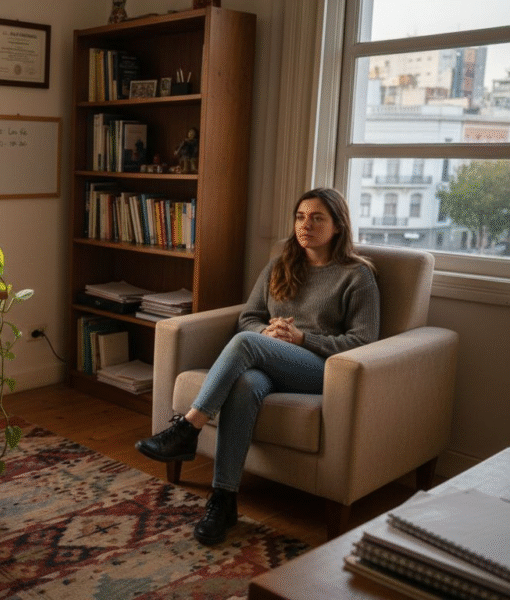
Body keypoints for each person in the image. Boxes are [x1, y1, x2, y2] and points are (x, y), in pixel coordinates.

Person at [135, 187, 380, 545]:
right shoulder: (281, 264)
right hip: (270, 359)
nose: (305, 225)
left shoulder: (357, 276)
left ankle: (188, 428)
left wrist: (302, 339)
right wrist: (266, 331)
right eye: (300, 217)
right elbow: (248, 318)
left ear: (339, 226)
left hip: (322, 370)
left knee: (248, 345)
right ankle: (224, 501)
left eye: (317, 218)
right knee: (246, 382)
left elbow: (364, 342)